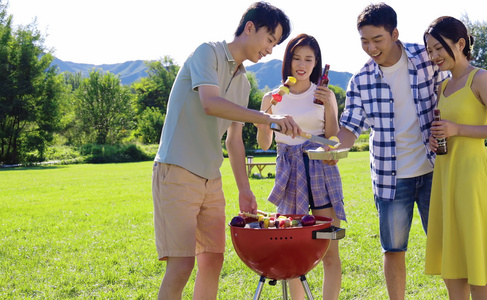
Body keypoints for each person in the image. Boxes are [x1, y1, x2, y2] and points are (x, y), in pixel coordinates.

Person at [151, 2, 301, 299]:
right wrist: (268, 119)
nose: (271, 49)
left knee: (212, 260)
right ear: (249, 27)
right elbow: (210, 103)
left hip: (212, 180)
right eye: (270, 39)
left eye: (275, 43)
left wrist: (244, 190)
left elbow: (234, 140)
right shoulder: (207, 52)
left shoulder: (243, 82)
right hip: (176, 171)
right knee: (182, 265)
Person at [328, 3, 448, 299]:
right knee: (393, 249)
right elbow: (349, 130)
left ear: (395, 33)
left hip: (436, 169)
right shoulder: (361, 81)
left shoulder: (425, 58)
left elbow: (449, 94)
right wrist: (330, 146)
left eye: (377, 40)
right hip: (391, 179)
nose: (370, 48)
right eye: (364, 41)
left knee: (446, 245)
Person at [423, 16, 487, 299]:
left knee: (477, 269)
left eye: (439, 48)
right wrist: (435, 138)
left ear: (460, 43)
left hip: (471, 178)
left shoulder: (481, 78)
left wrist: (457, 129)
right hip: (446, 177)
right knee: (452, 271)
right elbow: (446, 131)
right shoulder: (442, 87)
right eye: (430, 51)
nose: (434, 56)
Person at [256, 33, 345, 300]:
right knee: (293, 246)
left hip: (320, 167)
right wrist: (264, 117)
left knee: (329, 247)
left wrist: (331, 104)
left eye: (308, 58)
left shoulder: (323, 94)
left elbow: (332, 142)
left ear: (316, 62)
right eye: (297, 58)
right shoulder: (271, 97)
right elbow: (263, 144)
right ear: (289, 61)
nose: (302, 64)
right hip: (289, 169)